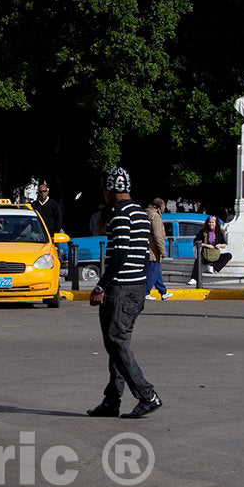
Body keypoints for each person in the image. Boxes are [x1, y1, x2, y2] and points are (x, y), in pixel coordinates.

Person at [87, 167, 163, 419]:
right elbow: (142, 255)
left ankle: (147, 394)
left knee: (116, 343)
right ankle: (111, 401)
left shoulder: (119, 214)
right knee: (117, 344)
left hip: (120, 288)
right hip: (136, 287)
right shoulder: (140, 214)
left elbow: (119, 256)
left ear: (110, 191)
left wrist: (101, 286)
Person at [187, 216, 233, 285]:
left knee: (228, 255)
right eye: (209, 222)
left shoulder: (219, 233)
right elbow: (196, 242)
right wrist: (206, 245)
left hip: (215, 255)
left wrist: (220, 245)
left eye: (213, 222)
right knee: (198, 259)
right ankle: (194, 278)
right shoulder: (203, 232)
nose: (211, 224)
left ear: (216, 223)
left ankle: (213, 267)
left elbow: (224, 244)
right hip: (205, 255)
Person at [144, 198, 172, 301]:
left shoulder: (145, 213)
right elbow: (157, 235)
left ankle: (163, 292)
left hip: (146, 247)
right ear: (159, 206)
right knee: (152, 270)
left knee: (156, 271)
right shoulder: (155, 216)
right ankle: (146, 292)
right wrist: (162, 250)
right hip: (152, 249)